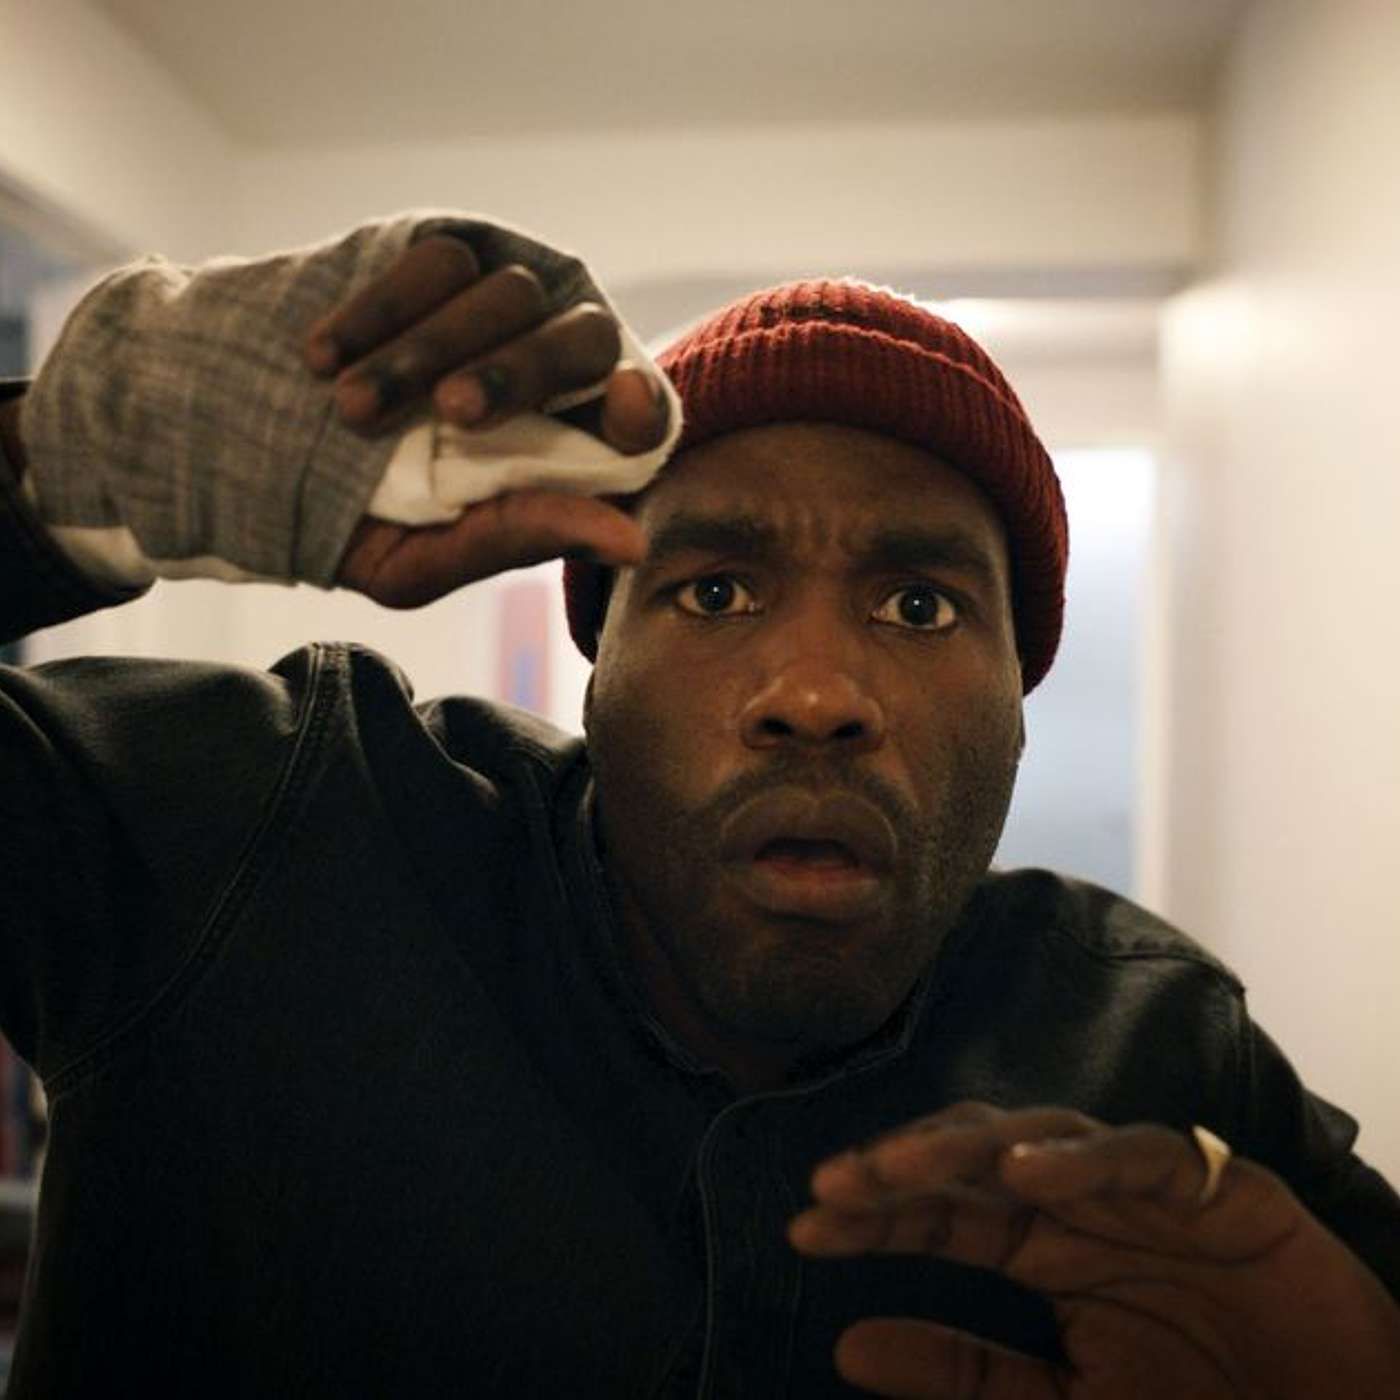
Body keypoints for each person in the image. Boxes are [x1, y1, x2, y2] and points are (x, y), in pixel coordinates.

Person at [1, 213, 1397, 1399]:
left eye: (920, 605)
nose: (815, 694)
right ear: (599, 668)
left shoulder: (1157, 1067)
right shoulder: (268, 836)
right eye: (715, 590)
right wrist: (74, 459)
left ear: (1018, 698)